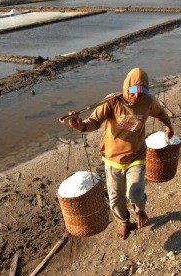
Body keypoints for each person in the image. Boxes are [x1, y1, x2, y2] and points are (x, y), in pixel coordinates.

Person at [68, 67, 174, 239]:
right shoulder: (112, 101)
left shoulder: (148, 102)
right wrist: (79, 125)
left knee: (135, 193)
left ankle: (140, 210)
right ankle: (124, 221)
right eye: (133, 91)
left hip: (136, 155)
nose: (137, 96)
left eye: (142, 91)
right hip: (113, 159)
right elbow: (93, 122)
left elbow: (160, 113)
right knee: (116, 199)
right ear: (126, 87)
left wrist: (168, 125)